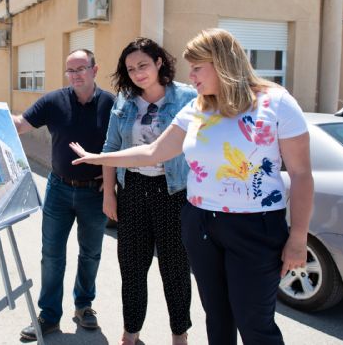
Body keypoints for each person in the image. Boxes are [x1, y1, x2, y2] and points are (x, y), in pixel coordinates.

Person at [69, 29, 313, 345]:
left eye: (197, 67)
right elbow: (154, 151)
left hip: (256, 227)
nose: (190, 75)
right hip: (200, 223)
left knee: (254, 323)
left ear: (223, 62)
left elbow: (301, 173)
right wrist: (98, 158)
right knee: (218, 318)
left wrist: (298, 236)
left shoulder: (276, 103)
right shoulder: (198, 107)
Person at [13, 49, 114, 341]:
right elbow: (20, 124)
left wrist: (111, 188)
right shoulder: (54, 101)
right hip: (58, 189)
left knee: (91, 253)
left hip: (94, 193)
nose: (75, 75)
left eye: (81, 68)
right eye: (70, 70)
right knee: (52, 255)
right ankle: (48, 316)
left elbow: (118, 147)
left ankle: (84, 306)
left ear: (95, 70)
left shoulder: (110, 104)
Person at [102, 38, 196, 345]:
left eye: (143, 64)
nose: (137, 73)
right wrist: (109, 193)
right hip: (133, 189)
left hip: (174, 191)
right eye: (130, 69)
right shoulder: (124, 100)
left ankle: (179, 334)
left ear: (159, 63)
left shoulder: (187, 97)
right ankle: (131, 332)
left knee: (175, 268)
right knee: (131, 265)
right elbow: (111, 147)